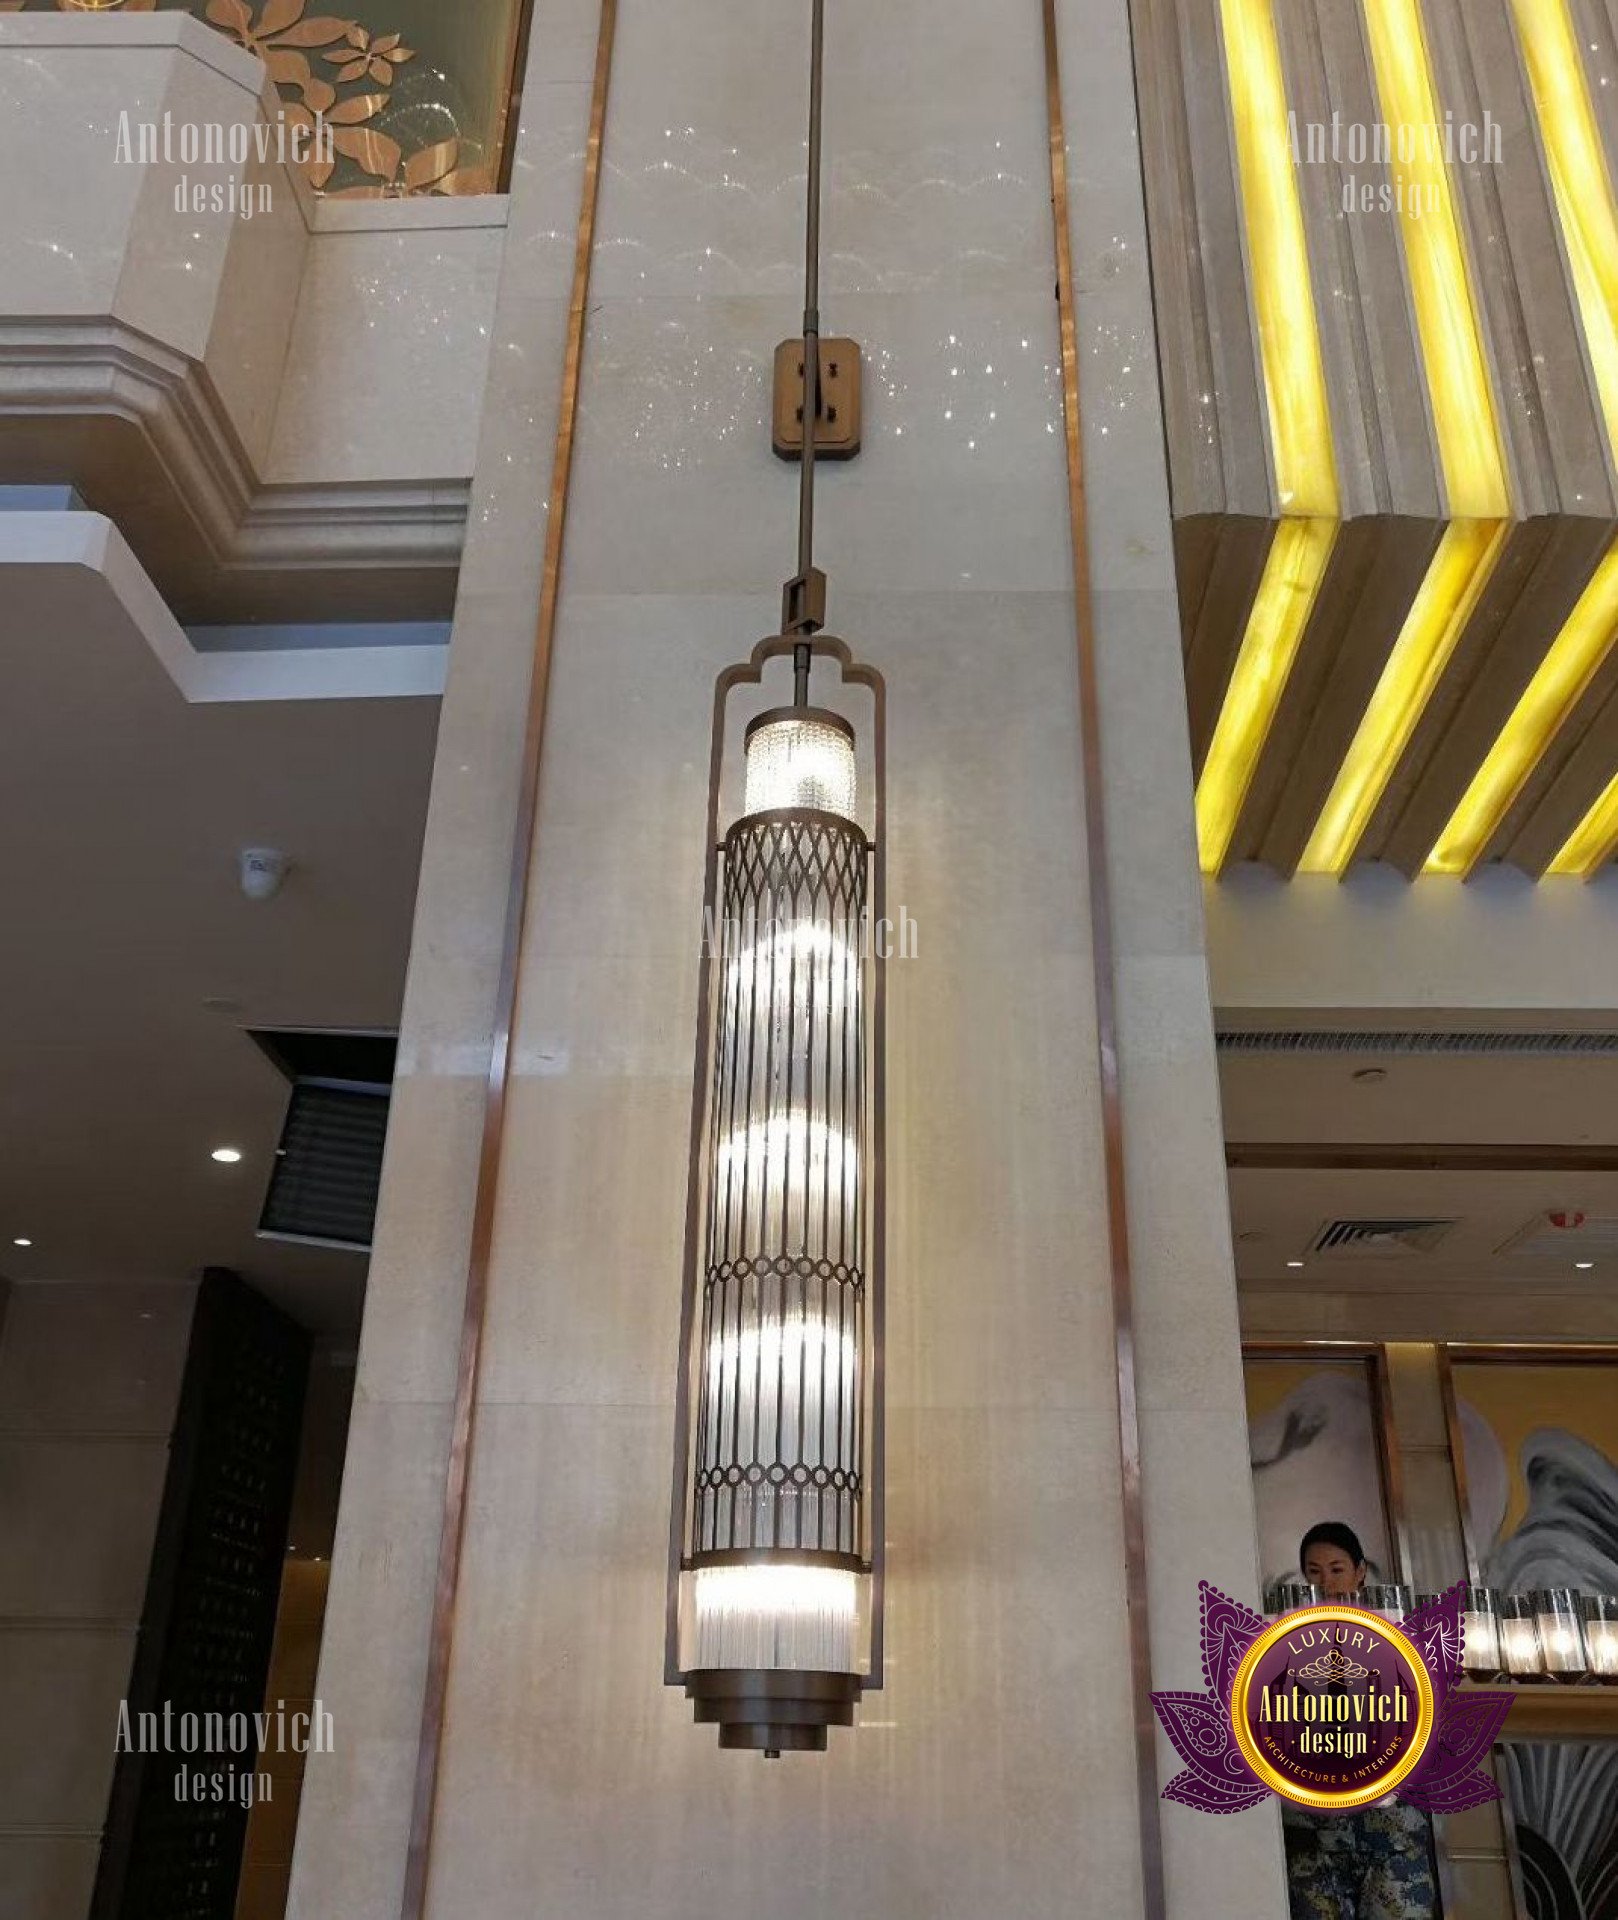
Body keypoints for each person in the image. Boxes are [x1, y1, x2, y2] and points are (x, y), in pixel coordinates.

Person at [1283, 1522, 1439, 1920]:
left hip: (1390, 1832)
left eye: (1336, 1569)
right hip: (1316, 1837)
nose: (1327, 1582)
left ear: (1360, 1571)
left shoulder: (1395, 1632)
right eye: (1314, 1572)